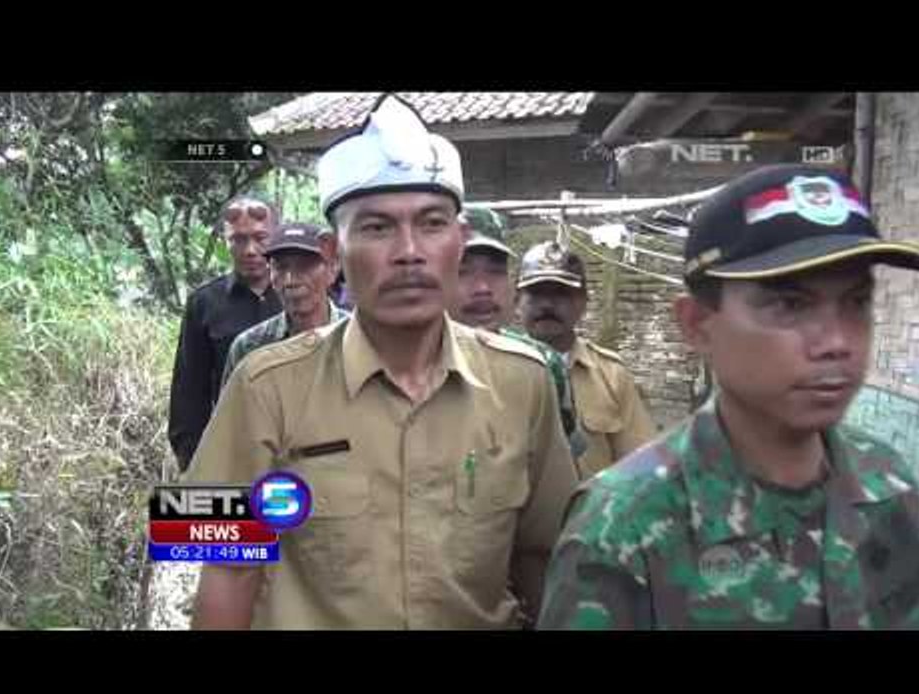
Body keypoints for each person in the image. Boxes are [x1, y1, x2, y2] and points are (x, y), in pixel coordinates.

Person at [186, 93, 579, 630]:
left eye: (432, 224)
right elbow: (223, 572)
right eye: (376, 228)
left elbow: (545, 556)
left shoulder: (524, 382)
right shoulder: (262, 384)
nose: (409, 251)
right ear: (333, 253)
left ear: (460, 241)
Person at [538, 164, 919, 630]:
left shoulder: (889, 483)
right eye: (790, 304)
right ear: (698, 324)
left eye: (856, 302)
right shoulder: (621, 527)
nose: (836, 341)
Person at [516, 243, 656, 479]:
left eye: (561, 293)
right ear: (516, 301)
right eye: (537, 293)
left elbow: (640, 468)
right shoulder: (492, 371)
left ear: (583, 302)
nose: (547, 304)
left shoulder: (611, 375)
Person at [452, 207, 584, 456]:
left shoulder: (543, 366)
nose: (483, 288)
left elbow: (559, 469)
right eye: (462, 271)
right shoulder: (403, 368)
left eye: (496, 271)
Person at [167, 195, 282, 472]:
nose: (250, 250)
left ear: (277, 236)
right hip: (234, 449)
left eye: (260, 238)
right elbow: (189, 393)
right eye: (238, 240)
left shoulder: (299, 295)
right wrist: (192, 463)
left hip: (297, 448)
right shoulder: (205, 303)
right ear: (225, 241)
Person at [221, 222, 350, 384]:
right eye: (280, 267)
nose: (290, 281)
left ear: (332, 269)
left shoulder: (357, 336)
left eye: (304, 266)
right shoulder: (249, 346)